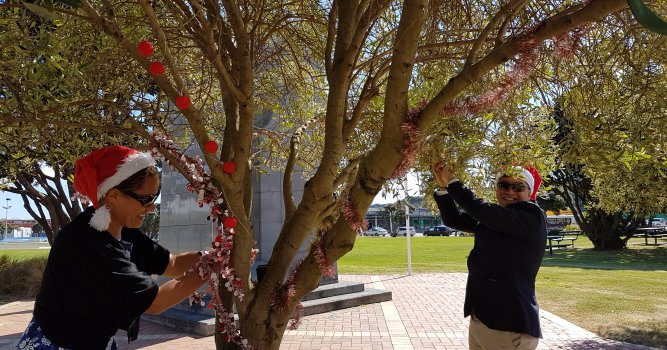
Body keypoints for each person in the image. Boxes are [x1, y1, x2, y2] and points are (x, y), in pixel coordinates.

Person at [17, 145, 216, 350]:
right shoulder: (87, 243)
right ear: (113, 195)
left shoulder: (122, 229)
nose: (151, 207)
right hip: (60, 343)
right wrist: (212, 269)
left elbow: (172, 264)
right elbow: (156, 302)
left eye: (154, 198)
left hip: (96, 340)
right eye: (145, 199)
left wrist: (214, 256)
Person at [432, 162, 546, 350]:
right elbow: (455, 219)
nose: (510, 191)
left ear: (529, 192)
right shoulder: (497, 218)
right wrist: (444, 188)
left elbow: (480, 210)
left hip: (507, 322)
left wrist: (453, 181)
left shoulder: (531, 216)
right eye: (503, 185)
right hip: (483, 317)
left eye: (518, 187)